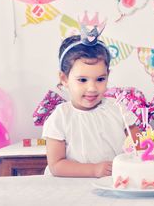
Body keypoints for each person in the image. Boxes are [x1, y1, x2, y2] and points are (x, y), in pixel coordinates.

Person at [42, 31, 139, 178]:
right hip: (73, 187)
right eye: (82, 80)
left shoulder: (117, 109)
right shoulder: (60, 117)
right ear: (64, 78)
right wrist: (94, 170)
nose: (92, 88)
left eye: (100, 79)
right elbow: (56, 165)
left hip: (114, 182)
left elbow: (138, 147)